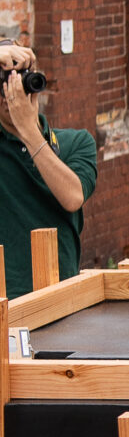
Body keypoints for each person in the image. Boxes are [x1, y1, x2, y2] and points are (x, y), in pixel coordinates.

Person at [0, 41, 97, 297]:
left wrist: (29, 131)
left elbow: (73, 197)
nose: (10, 93)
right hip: (4, 304)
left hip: (60, 300)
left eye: (17, 81)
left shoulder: (76, 143)